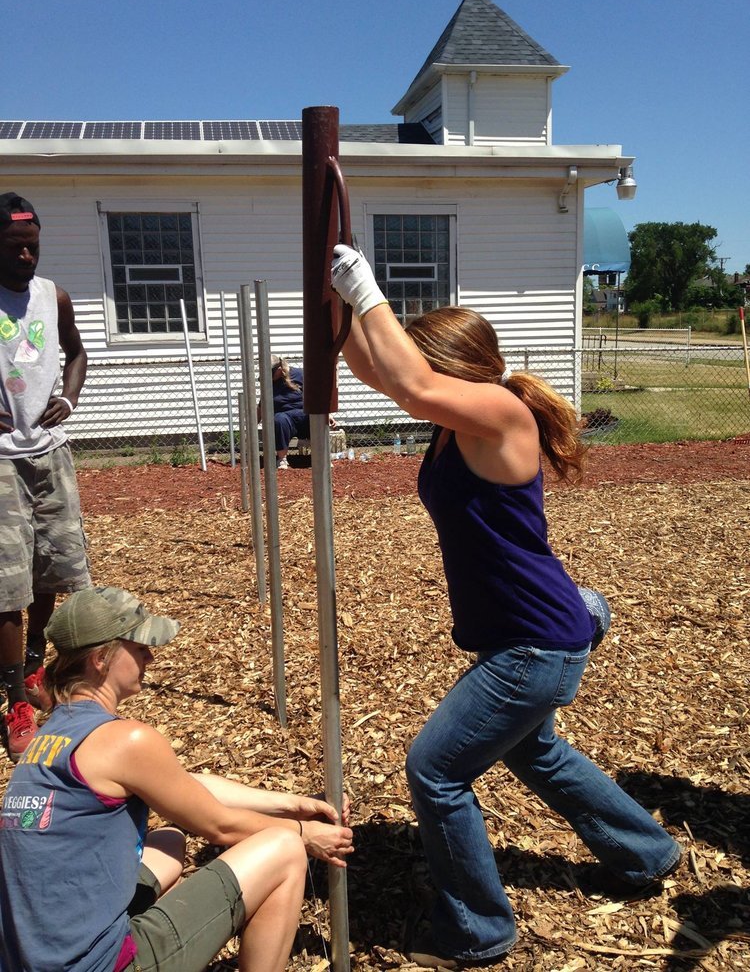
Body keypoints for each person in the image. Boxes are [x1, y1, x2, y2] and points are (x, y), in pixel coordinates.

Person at [331, 245, 681, 969]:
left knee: (435, 771)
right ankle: (647, 853)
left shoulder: (496, 410)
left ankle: (477, 930)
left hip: (535, 645)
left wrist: (366, 284)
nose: (415, 383)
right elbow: (379, 370)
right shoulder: (454, 421)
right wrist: (336, 305)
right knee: (536, 751)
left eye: (428, 369)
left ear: (452, 367)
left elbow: (408, 380)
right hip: (530, 631)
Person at [0, 585, 354, 972]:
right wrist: (304, 834)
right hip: (91, 965)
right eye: (139, 647)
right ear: (101, 658)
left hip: (32, 956)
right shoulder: (126, 740)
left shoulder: (50, 737)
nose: (150, 656)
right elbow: (219, 826)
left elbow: (184, 786)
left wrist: (291, 803)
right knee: (283, 849)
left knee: (168, 843)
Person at [0, 192, 90, 763]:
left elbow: (77, 353)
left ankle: (34, 661)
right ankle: (15, 700)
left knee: (51, 565)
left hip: (49, 451)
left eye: (33, 245)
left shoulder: (52, 297)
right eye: (15, 248)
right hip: (1, 458)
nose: (27, 257)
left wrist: (70, 397)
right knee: (6, 583)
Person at [257, 355, 309, 470]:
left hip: (304, 416)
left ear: (279, 370)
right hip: (285, 420)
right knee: (279, 419)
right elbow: (261, 405)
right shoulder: (269, 383)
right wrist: (252, 425)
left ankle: (322, 457)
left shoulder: (300, 375)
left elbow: (316, 396)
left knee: (316, 417)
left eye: (270, 374)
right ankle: (282, 459)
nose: (268, 378)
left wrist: (327, 415)